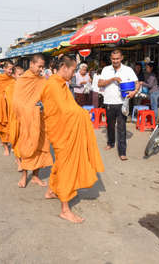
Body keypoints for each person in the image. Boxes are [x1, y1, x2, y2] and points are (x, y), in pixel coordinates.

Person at [41, 55, 104, 223]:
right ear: (64, 67)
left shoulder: (60, 84)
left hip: (63, 130)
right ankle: (65, 209)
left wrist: (80, 112)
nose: (74, 73)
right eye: (73, 69)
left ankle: (51, 191)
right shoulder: (54, 85)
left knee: (61, 164)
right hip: (62, 132)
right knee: (67, 167)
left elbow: (68, 107)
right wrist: (84, 114)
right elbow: (65, 111)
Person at [12, 54, 53, 188]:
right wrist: (30, 109)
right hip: (27, 120)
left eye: (42, 67)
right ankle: (24, 176)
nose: (41, 69)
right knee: (27, 147)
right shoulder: (22, 80)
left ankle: (35, 176)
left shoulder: (42, 80)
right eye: (39, 66)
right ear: (31, 64)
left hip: (40, 118)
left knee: (41, 147)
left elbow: (48, 98)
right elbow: (17, 102)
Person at [98, 49, 140, 161]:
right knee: (110, 125)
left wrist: (134, 92)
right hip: (109, 102)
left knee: (121, 127)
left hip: (122, 102)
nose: (115, 61)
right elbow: (100, 83)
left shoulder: (128, 70)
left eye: (117, 58)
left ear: (121, 58)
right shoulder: (106, 69)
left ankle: (122, 152)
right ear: (110, 59)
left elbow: (137, 83)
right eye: (113, 59)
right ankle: (110, 143)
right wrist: (112, 79)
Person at [0, 61, 15, 155]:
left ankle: (13, 144)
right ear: (4, 69)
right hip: (2, 108)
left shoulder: (13, 79)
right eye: (9, 69)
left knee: (12, 127)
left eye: (12, 69)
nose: (11, 71)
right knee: (3, 129)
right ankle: (5, 148)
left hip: (11, 108)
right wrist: (3, 96)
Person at [6, 66, 25, 170]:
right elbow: (11, 104)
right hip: (14, 117)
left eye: (23, 74)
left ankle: (22, 159)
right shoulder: (10, 88)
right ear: (13, 75)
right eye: (19, 75)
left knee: (24, 140)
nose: (22, 77)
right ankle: (18, 161)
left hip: (25, 118)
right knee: (16, 139)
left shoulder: (26, 86)